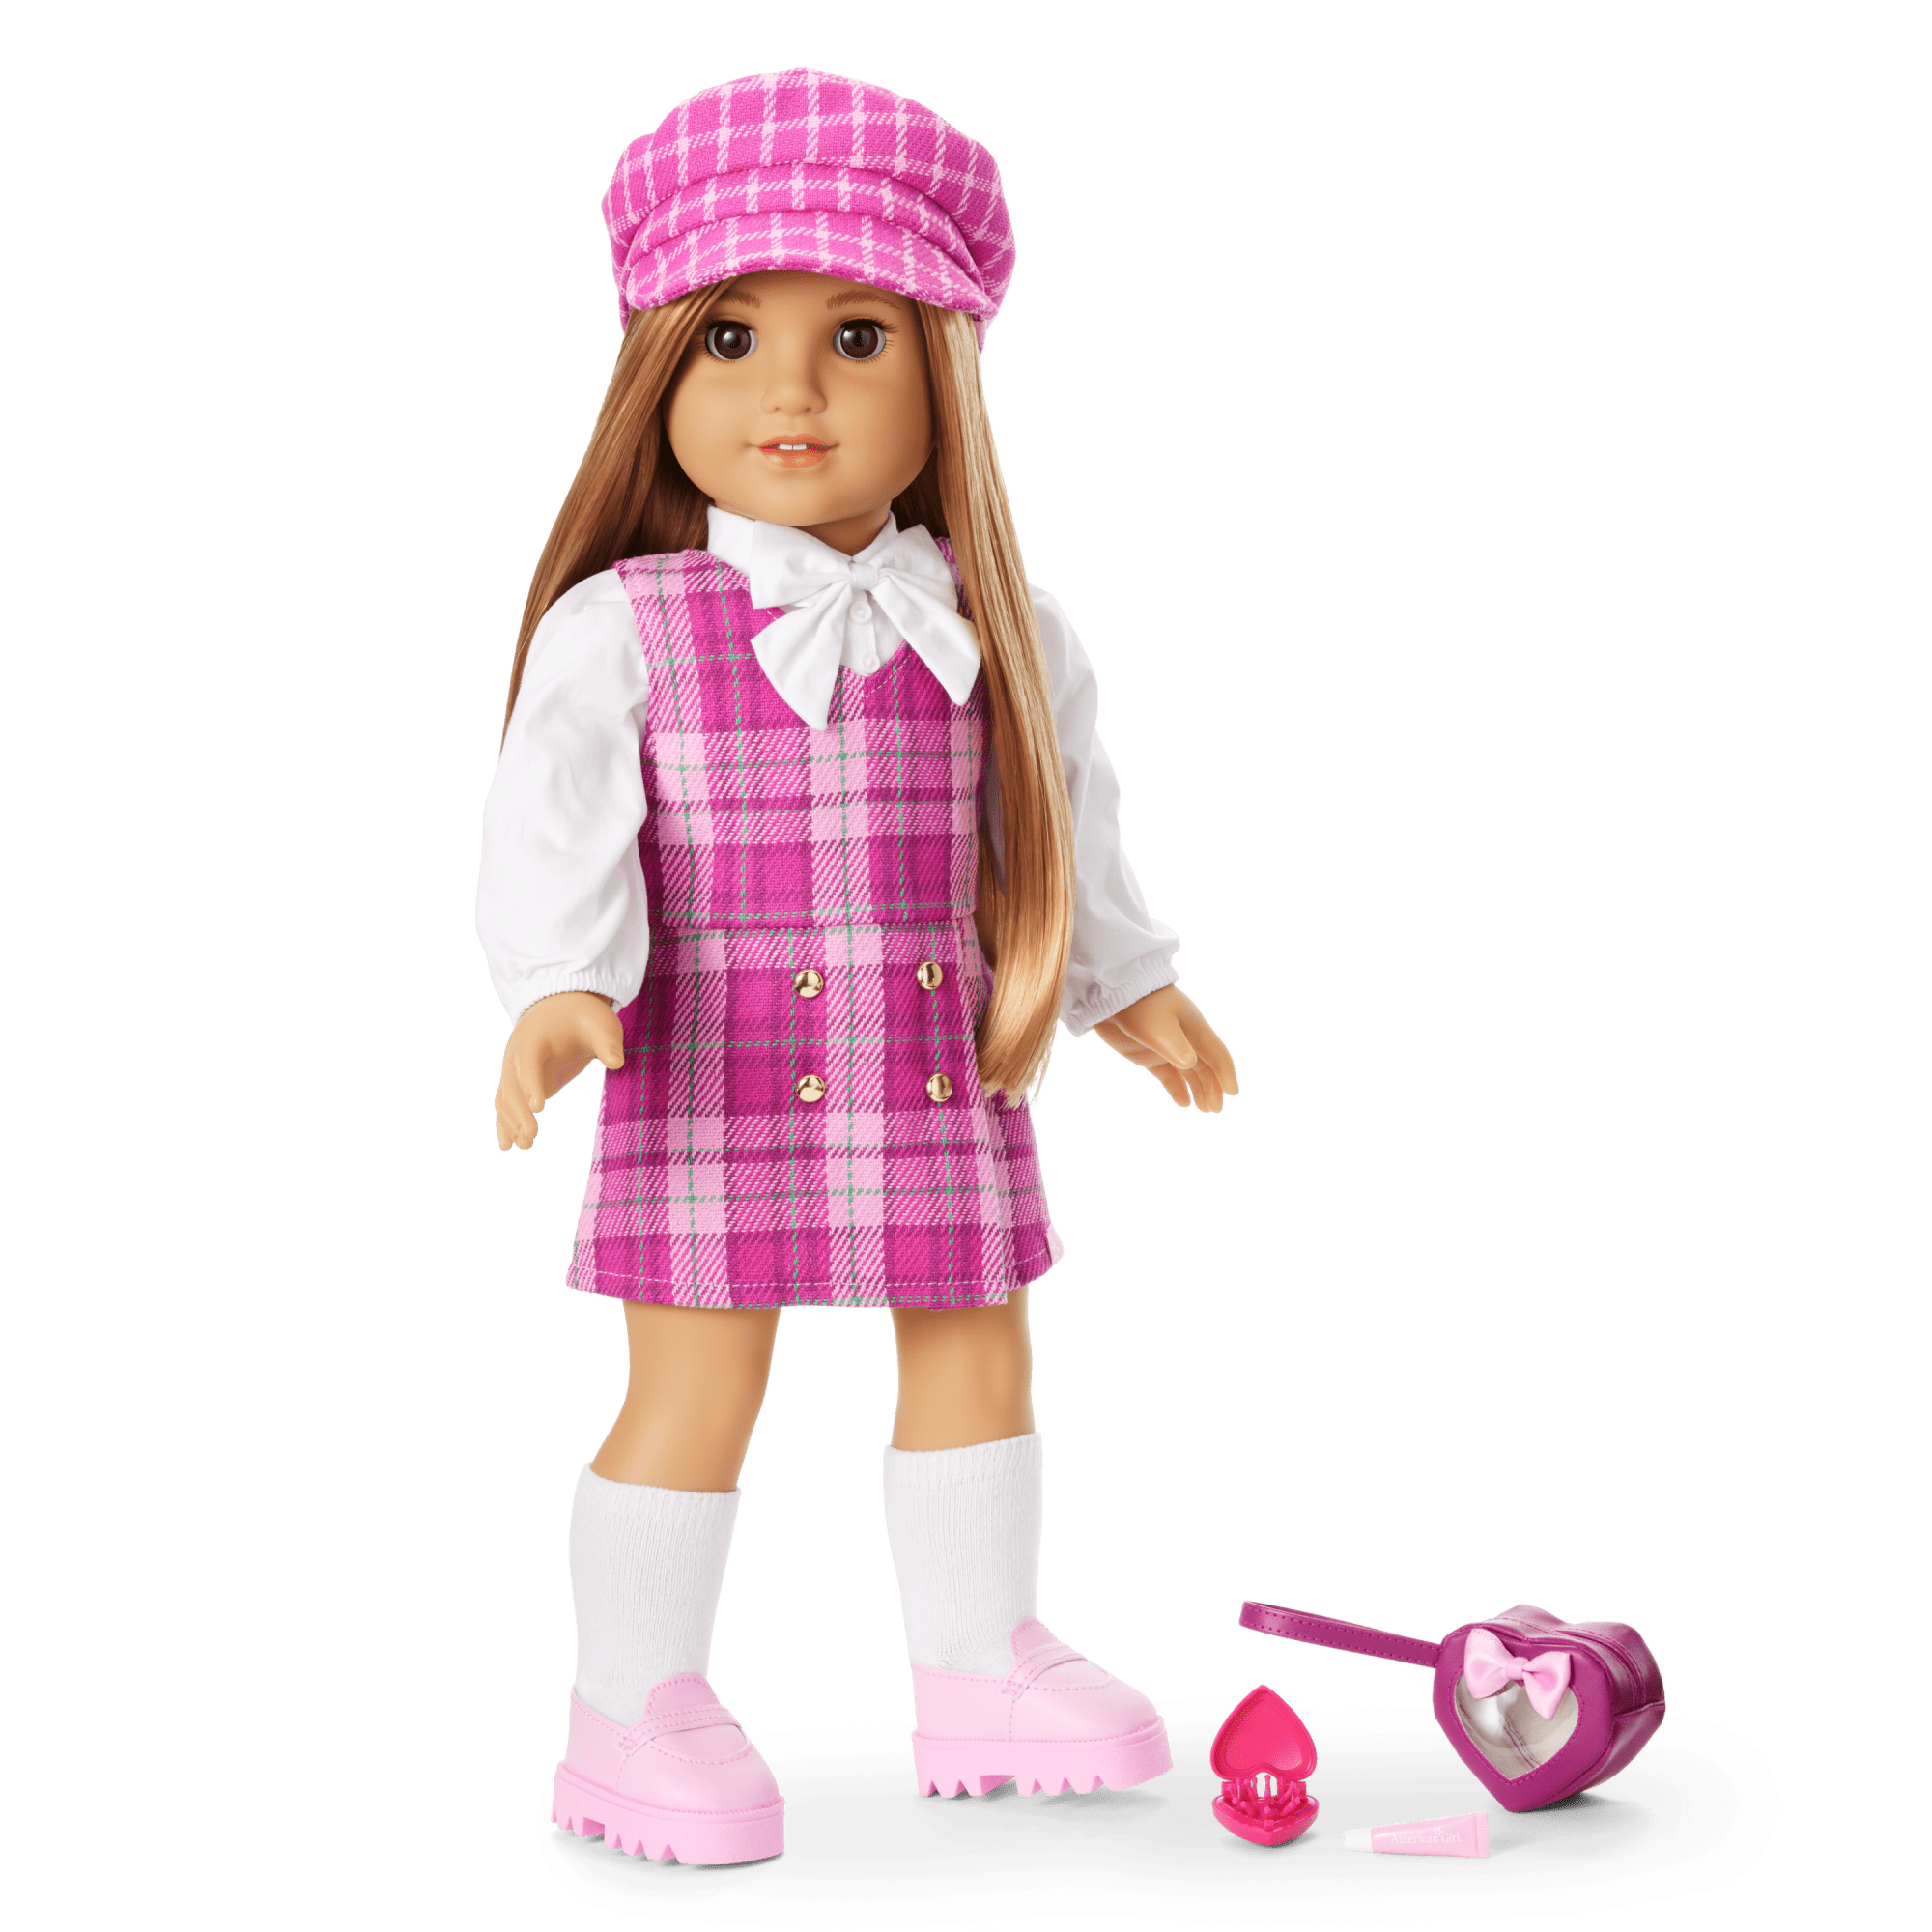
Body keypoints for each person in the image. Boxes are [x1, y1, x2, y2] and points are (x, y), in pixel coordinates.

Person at [476, 66, 1238, 1864]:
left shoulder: (1001, 623)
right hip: (707, 1052)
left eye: (860, 337)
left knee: (978, 1352)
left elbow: (1061, 823)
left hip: (930, 1049)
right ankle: (631, 1708)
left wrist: (1126, 982)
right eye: (733, 335)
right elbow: (551, 821)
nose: (794, 392)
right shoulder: (625, 627)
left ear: (945, 370)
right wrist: (561, 990)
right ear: (657, 369)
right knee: (696, 1385)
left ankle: (983, 1664)